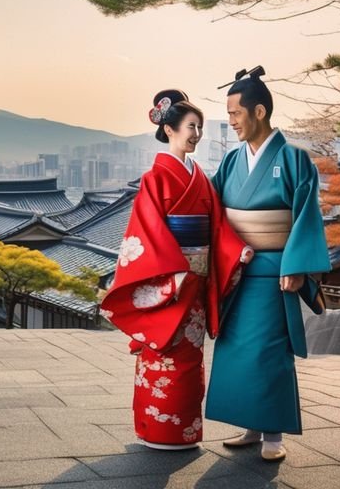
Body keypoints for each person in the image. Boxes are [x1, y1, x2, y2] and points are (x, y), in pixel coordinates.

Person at [100, 89, 251, 450]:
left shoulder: (199, 175)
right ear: (169, 130)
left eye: (199, 127)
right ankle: (156, 430)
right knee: (163, 356)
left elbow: (215, 225)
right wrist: (174, 272)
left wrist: (236, 249)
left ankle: (185, 430)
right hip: (169, 279)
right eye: (190, 127)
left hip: (194, 282)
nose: (196, 134)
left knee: (189, 359)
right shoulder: (156, 178)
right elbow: (146, 231)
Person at [205, 68, 331, 461]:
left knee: (270, 351)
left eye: (234, 113)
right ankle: (251, 425)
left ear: (258, 111)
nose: (230, 122)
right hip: (237, 271)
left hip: (275, 272)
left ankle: (273, 434)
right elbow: (212, 207)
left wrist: (295, 265)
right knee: (238, 349)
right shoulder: (230, 161)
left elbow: (307, 215)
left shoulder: (294, 160)